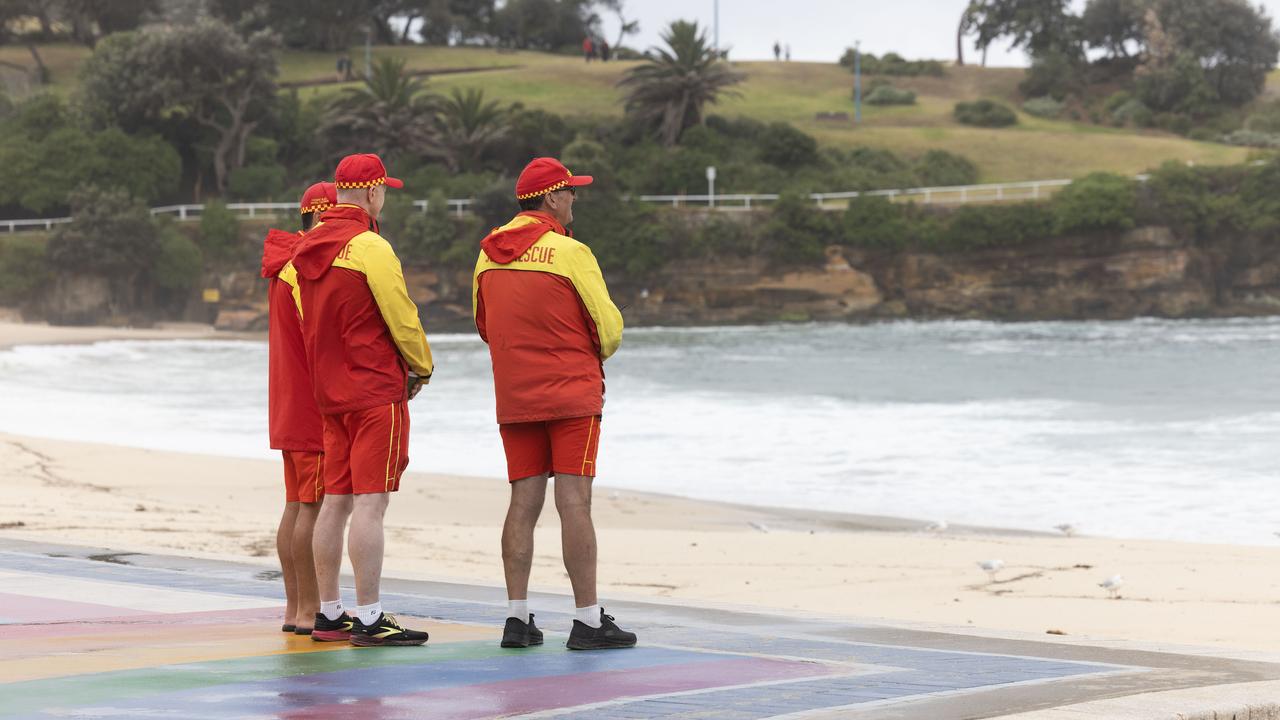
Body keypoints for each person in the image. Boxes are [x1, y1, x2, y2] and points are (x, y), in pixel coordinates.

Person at [472, 157, 636, 651]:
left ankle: (516, 618)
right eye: (569, 192)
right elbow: (608, 329)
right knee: (574, 502)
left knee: (523, 502)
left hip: (515, 393)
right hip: (570, 394)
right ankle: (587, 620)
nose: (574, 200)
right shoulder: (570, 252)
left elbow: (483, 325)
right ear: (550, 198)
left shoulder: (487, 255)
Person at [291, 153, 434, 647]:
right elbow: (401, 315)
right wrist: (421, 365)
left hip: (329, 394)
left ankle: (329, 612)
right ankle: (370, 617)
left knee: (336, 502)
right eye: (384, 191)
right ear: (373, 193)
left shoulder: (307, 248)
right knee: (372, 504)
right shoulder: (370, 246)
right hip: (373, 390)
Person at [260, 181, 335, 636]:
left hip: (285, 399)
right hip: (309, 403)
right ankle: (310, 610)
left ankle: (294, 608)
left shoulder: (283, 262)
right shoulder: (306, 266)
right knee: (313, 507)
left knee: (295, 504)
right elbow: (319, 336)